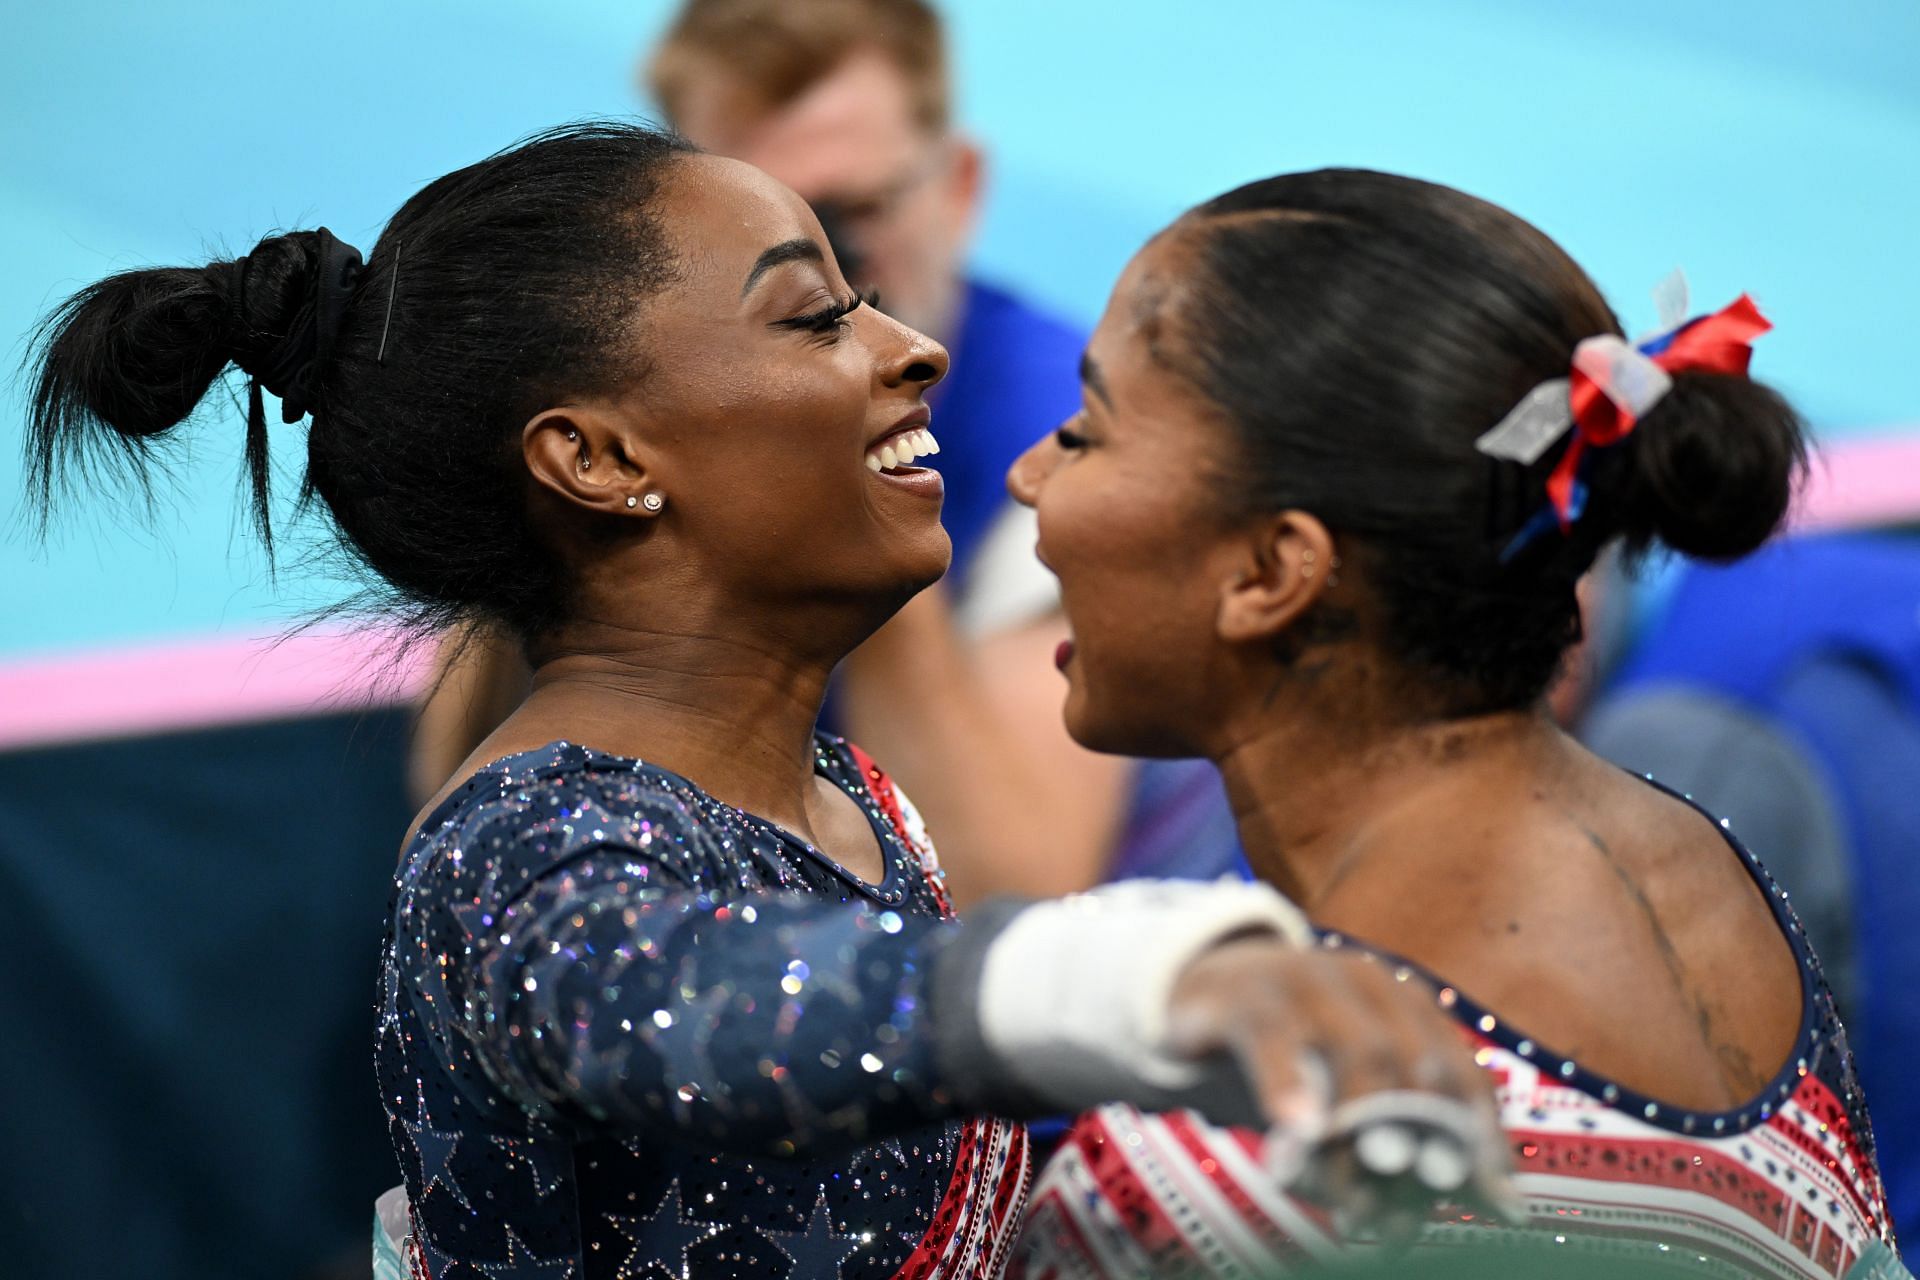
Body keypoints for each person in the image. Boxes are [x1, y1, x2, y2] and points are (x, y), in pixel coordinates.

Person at [24, 125, 1507, 1278]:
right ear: (597, 461)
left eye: (865, 299)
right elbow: (693, 1009)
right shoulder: (518, 850)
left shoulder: (841, 798)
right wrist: (1124, 981)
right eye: (815, 319)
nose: (911, 346)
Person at [1003, 169, 1902, 1276]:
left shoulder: (1228, 1174)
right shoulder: (1710, 869)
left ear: (1275, 567)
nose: (1027, 474)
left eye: (1087, 431)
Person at [410, 0, 1245, 904]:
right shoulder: (619, 434)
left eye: (851, 211)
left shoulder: (1068, 429)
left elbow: (1008, 892)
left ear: (959, 187)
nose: (831, 270)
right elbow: (454, 800)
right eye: (751, 231)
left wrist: (852, 478)